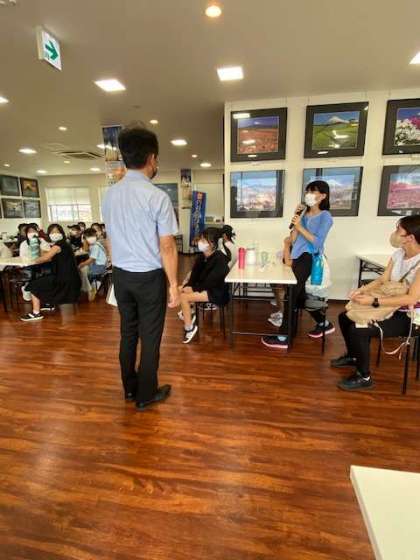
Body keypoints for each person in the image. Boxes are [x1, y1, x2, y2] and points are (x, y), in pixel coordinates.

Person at [102, 125, 179, 411]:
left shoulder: (109, 195)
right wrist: (174, 285)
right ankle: (146, 395)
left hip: (121, 275)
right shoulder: (157, 197)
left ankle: (129, 389)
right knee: (150, 337)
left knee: (128, 334)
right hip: (149, 278)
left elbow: (110, 238)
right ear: (152, 158)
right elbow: (167, 246)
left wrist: (115, 269)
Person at [332, 216, 420, 391]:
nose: (394, 234)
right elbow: (382, 280)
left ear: (410, 237)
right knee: (344, 317)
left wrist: (373, 301)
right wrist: (361, 291)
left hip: (409, 316)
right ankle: (354, 356)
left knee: (358, 329)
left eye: (398, 230)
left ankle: (364, 377)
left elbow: (411, 298)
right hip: (389, 306)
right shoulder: (398, 254)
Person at [262, 180, 334, 349]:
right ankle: (323, 323)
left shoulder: (325, 216)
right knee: (300, 297)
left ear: (323, 196)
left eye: (313, 191)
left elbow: (317, 242)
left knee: (291, 295)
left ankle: (284, 337)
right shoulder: (303, 214)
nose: (309, 194)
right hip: (297, 256)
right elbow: (294, 239)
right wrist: (296, 220)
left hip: (308, 257)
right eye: (307, 191)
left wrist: (300, 227)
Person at [178, 228, 230, 344]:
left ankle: (189, 328)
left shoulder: (219, 259)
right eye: (200, 239)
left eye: (203, 240)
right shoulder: (201, 257)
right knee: (180, 290)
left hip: (217, 292)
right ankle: (189, 313)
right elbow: (194, 277)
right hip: (206, 288)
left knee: (184, 297)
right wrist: (187, 286)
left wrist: (192, 288)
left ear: (212, 244)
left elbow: (211, 282)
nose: (199, 242)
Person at [20, 224, 81, 322]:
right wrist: (38, 249)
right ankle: (49, 304)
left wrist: (34, 260)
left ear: (62, 233)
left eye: (57, 231)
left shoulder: (58, 245)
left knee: (33, 285)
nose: (54, 234)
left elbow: (45, 258)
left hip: (64, 279)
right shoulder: (63, 244)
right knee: (44, 279)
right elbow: (48, 253)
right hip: (70, 277)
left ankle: (36, 313)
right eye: (52, 232)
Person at [19, 223, 51, 302]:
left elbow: (48, 253)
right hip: (29, 265)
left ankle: (42, 292)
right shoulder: (23, 244)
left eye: (33, 231)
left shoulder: (42, 241)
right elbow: (22, 256)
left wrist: (38, 248)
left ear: (37, 232)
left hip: (43, 264)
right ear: (26, 234)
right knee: (30, 273)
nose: (32, 233)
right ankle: (27, 288)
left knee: (46, 272)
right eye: (29, 232)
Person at [268, 235, 293, 328]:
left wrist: (286, 244)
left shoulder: (300, 248)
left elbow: (288, 262)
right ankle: (281, 310)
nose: (290, 237)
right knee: (273, 282)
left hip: (299, 280)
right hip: (292, 274)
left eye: (292, 235)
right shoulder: (292, 247)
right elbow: (280, 255)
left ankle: (283, 316)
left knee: (280, 287)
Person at [78, 227, 108, 301]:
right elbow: (85, 249)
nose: (91, 237)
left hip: (100, 267)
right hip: (97, 265)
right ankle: (90, 288)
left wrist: (82, 264)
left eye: (92, 235)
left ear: (96, 235)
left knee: (84, 271)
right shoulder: (93, 245)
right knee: (83, 270)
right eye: (88, 236)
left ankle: (91, 288)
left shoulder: (96, 246)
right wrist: (85, 242)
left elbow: (92, 259)